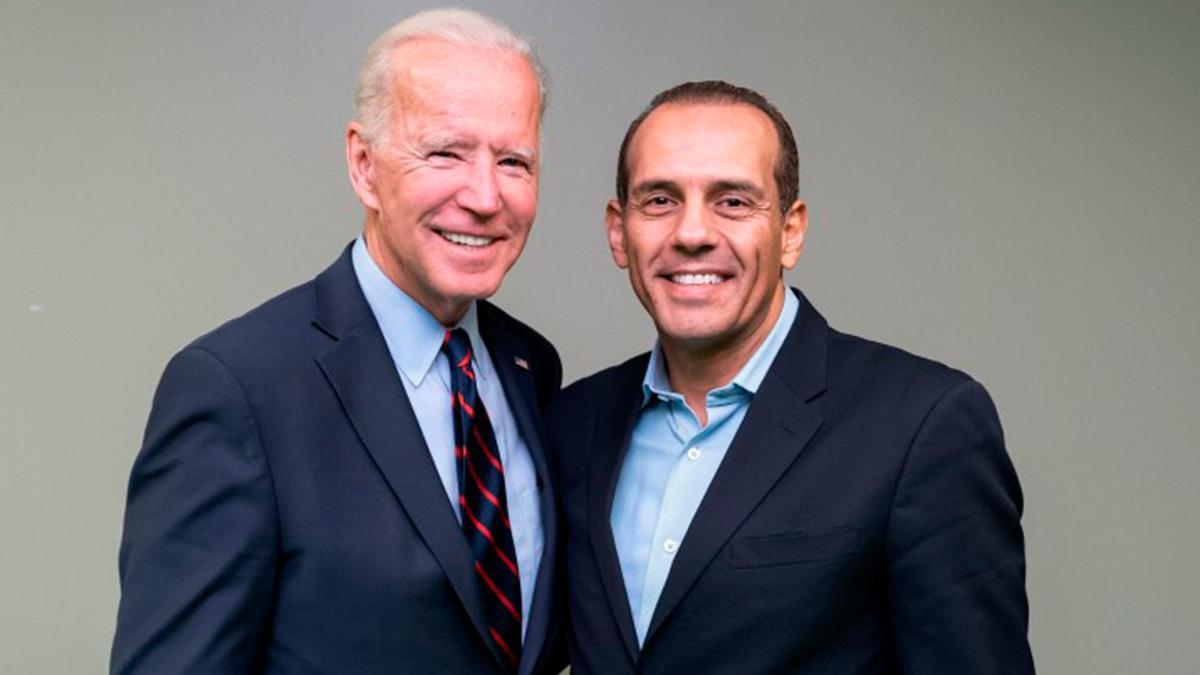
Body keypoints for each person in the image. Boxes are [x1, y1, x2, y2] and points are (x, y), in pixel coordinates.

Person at [111, 9, 565, 674]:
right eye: (445, 152)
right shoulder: (237, 389)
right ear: (363, 163)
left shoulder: (530, 367)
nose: (485, 195)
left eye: (514, 161)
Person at [550, 80, 1034, 673]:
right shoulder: (571, 424)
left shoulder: (923, 426)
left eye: (732, 200)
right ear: (617, 231)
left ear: (791, 231)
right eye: (659, 200)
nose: (692, 233)